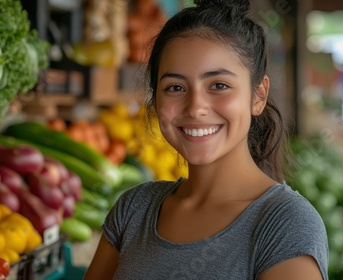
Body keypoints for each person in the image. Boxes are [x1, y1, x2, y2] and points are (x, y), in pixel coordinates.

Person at [84, 0, 329, 279]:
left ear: (258, 95)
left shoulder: (285, 224)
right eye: (175, 87)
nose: (195, 107)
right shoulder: (134, 209)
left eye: (219, 85)